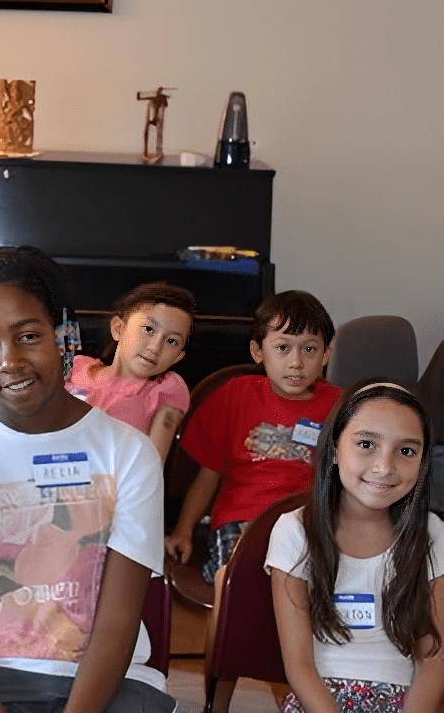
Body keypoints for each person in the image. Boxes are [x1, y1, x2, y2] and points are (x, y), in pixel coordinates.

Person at [0, 247, 175, 713]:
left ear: (65, 334)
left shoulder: (129, 453)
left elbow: (117, 622)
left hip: (105, 683)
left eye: (28, 336)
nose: (9, 361)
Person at [267, 381, 444, 712]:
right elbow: (299, 666)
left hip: (405, 699)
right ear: (334, 449)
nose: (385, 467)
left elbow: (434, 659)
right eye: (366, 444)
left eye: (406, 451)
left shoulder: (432, 533)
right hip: (320, 699)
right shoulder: (295, 531)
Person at [165, 290, 342, 583]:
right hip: (241, 520)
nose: (296, 362)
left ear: (326, 354)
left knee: (313, 584)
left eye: (309, 349)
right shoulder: (236, 395)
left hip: (310, 522)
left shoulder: (340, 405)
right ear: (258, 352)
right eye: (283, 348)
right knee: (235, 582)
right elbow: (208, 474)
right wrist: (183, 531)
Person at [66, 281, 194, 460]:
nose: (155, 347)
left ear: (178, 357)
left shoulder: (164, 391)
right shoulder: (76, 369)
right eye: (148, 329)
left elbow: (153, 466)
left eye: (171, 341)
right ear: (118, 328)